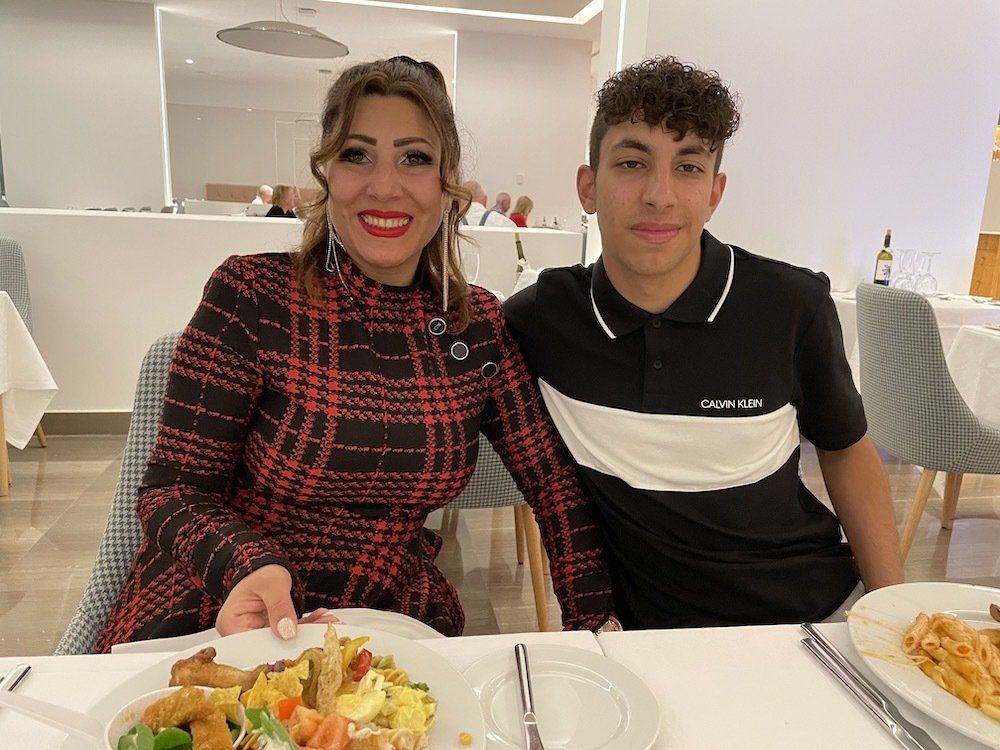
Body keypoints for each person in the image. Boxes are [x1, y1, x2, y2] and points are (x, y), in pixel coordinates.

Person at [94, 56, 615, 652]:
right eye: (356, 155)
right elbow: (173, 489)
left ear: (446, 182)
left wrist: (597, 627)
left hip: (383, 612)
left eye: (414, 158)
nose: (385, 186)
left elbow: (552, 483)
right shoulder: (253, 295)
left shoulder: (476, 325)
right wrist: (245, 562)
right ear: (326, 173)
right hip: (225, 602)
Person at [504, 56, 903, 630]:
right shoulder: (544, 319)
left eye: (688, 167)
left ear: (715, 193)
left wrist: (891, 617)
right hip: (648, 641)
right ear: (588, 187)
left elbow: (845, 451)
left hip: (808, 615)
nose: (659, 195)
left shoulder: (791, 306)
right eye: (632, 163)